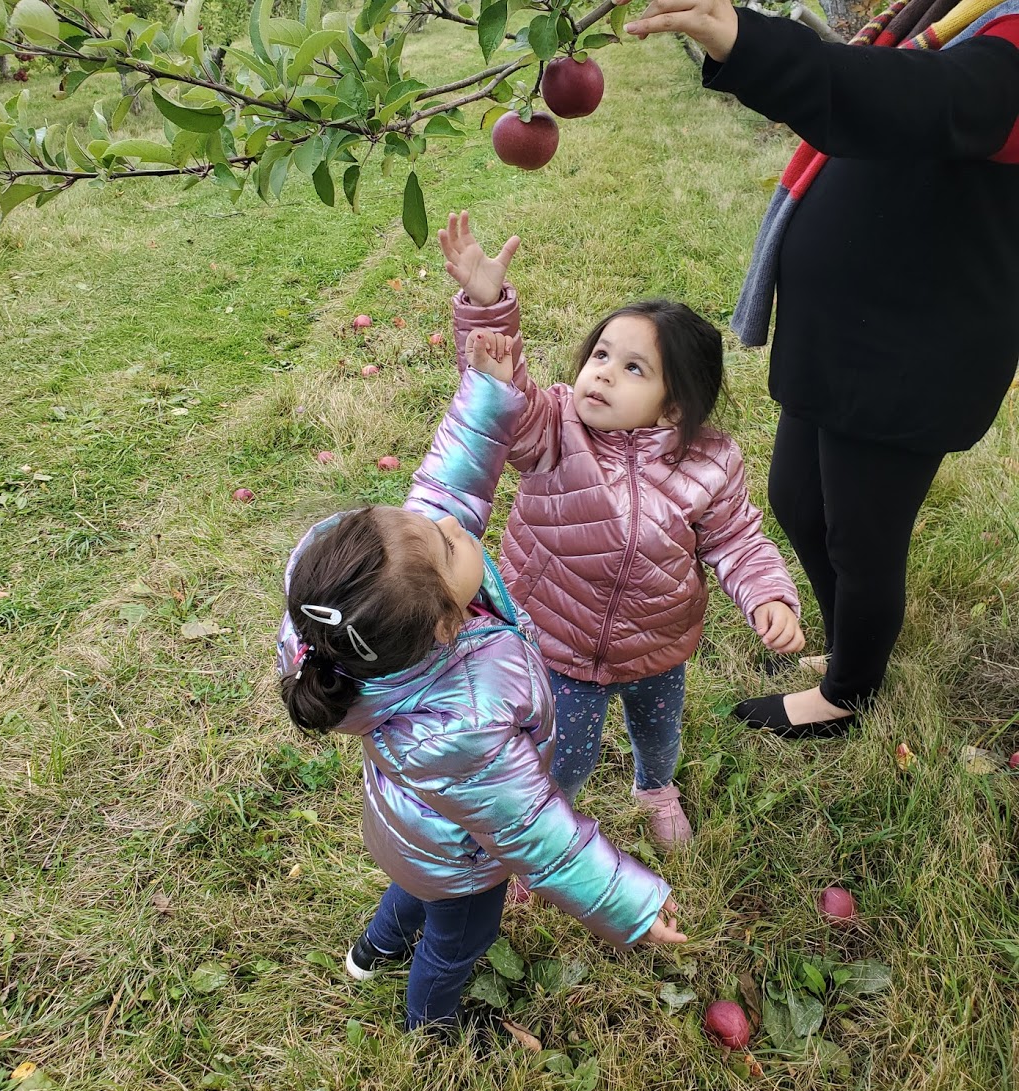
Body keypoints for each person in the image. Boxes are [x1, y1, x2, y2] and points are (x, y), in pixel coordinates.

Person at [623, 0, 1019, 736]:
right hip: (845, 330)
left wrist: (746, 40)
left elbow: (895, 98)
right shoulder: (956, 12)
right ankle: (850, 647)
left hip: (913, 348)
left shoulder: (1010, 48)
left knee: (862, 536)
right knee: (798, 500)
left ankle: (850, 692)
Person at [276, 329, 686, 1036]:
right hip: (465, 857)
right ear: (447, 626)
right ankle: (429, 1021)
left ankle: (370, 952)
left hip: (413, 831)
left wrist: (489, 390)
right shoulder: (461, 730)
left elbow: (447, 485)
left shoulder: (362, 608)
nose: (453, 527)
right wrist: (628, 902)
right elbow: (538, 833)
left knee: (410, 887)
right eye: (447, 543)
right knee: (457, 940)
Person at [437, 211, 804, 847]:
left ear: (676, 405)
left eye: (634, 368)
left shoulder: (710, 461)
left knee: (659, 730)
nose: (602, 371)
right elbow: (503, 397)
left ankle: (655, 787)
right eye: (601, 354)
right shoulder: (552, 427)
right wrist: (488, 307)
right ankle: (544, 832)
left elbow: (737, 538)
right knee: (566, 757)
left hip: (657, 641)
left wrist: (768, 594)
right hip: (558, 637)